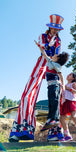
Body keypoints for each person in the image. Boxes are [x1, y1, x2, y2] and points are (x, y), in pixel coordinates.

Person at [9, 14, 64, 142]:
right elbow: (43, 49)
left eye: (57, 29)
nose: (55, 31)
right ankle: (22, 129)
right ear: (50, 28)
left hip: (53, 65)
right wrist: (48, 47)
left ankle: (54, 132)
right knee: (28, 94)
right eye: (53, 28)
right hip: (42, 63)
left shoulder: (59, 41)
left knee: (55, 96)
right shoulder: (42, 36)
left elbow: (57, 56)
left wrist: (58, 70)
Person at [35, 41, 69, 132]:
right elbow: (44, 53)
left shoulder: (57, 65)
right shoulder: (50, 61)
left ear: (58, 59)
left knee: (54, 101)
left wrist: (63, 87)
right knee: (50, 101)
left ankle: (55, 119)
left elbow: (61, 75)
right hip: (50, 86)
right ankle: (50, 119)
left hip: (55, 85)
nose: (54, 55)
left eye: (56, 55)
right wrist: (39, 46)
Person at [60, 73, 76, 142]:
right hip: (65, 102)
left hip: (72, 101)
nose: (68, 75)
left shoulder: (73, 84)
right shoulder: (64, 85)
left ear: (73, 78)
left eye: (70, 75)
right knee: (61, 118)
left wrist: (69, 89)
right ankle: (67, 135)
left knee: (73, 116)